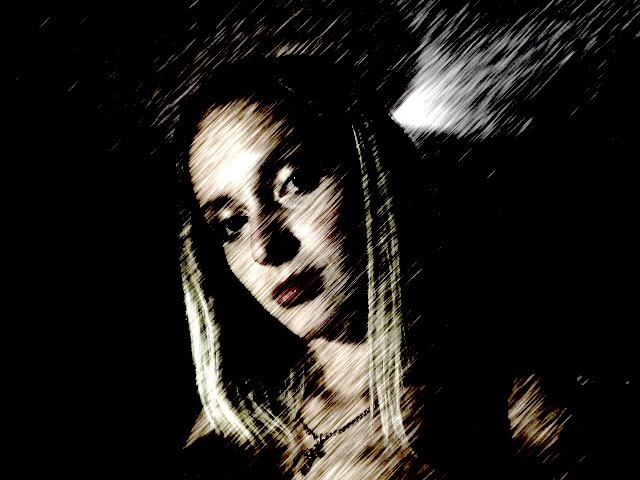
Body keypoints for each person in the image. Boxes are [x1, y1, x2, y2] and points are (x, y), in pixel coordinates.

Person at [170, 56, 618, 480]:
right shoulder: (229, 428)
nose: (264, 248)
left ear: (376, 173)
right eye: (231, 224)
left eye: (297, 182)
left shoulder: (517, 411)